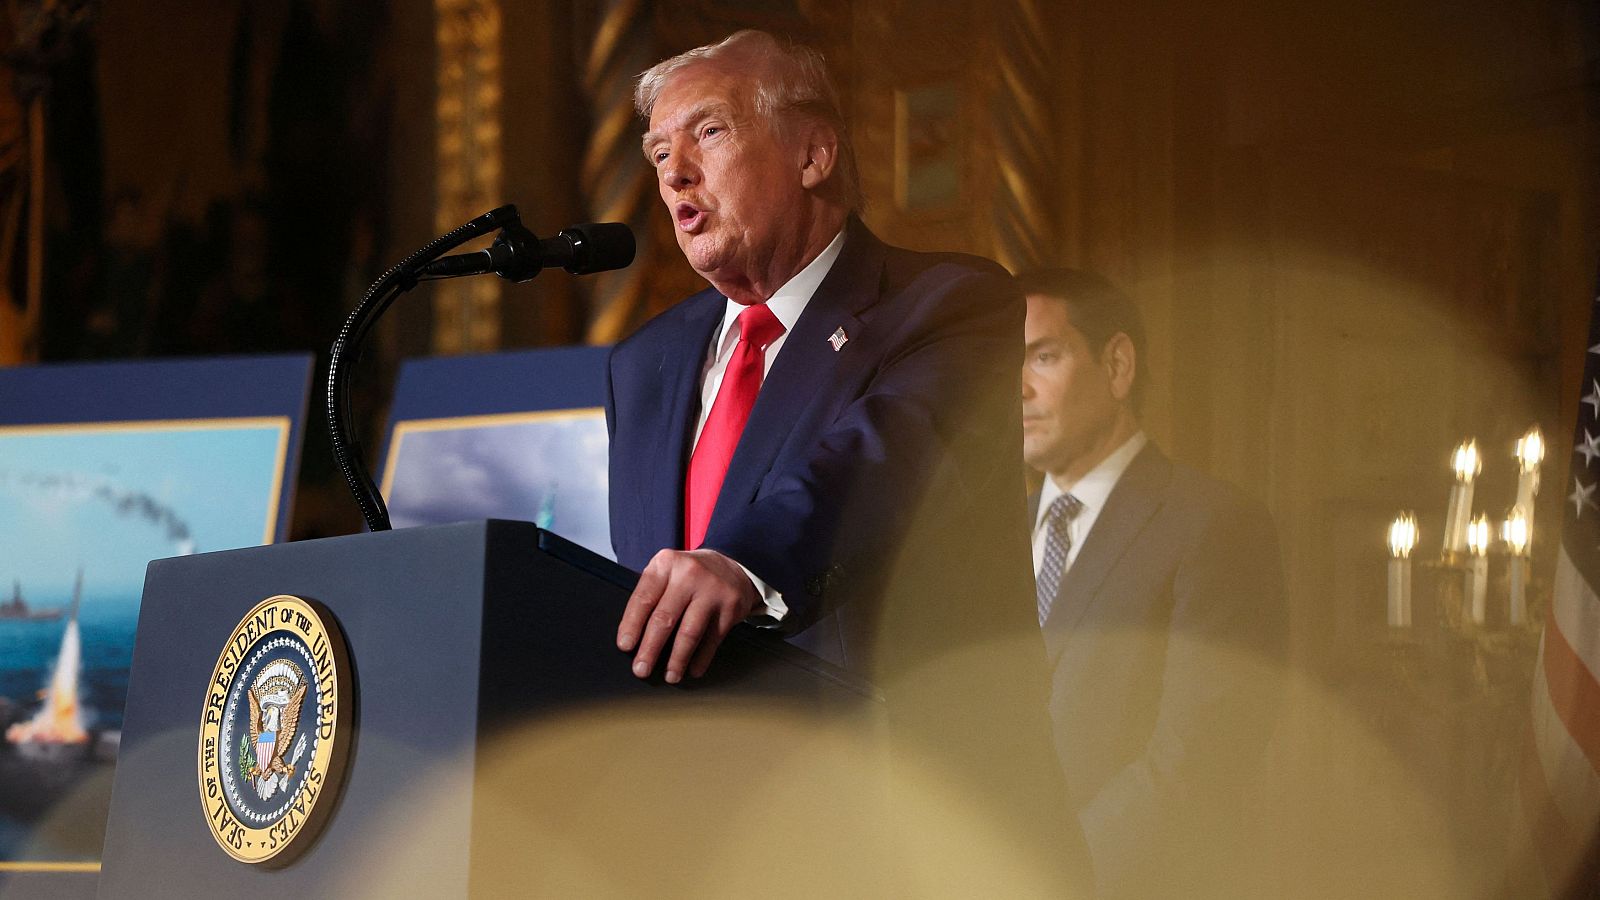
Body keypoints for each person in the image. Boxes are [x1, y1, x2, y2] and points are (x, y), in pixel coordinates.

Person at [606, 29, 1088, 892]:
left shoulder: (946, 306)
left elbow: (880, 461)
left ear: (814, 152)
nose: (675, 174)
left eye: (707, 134)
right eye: (657, 151)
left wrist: (743, 563)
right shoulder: (643, 365)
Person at [1020, 268, 1288, 897]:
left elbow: (1197, 763)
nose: (1017, 390)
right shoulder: (991, 534)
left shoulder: (1216, 525)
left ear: (1117, 366)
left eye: (1044, 357)